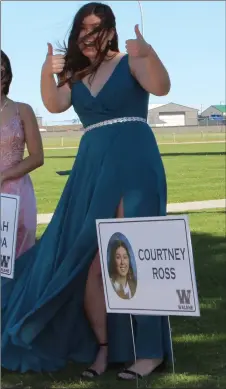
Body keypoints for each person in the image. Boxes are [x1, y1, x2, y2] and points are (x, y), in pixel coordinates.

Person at [1, 2, 172, 380]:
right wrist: (48, 72)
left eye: (95, 30)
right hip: (92, 166)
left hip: (134, 161)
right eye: (82, 31)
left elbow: (161, 86)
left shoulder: (131, 60)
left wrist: (149, 53)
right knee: (91, 262)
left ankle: (148, 352)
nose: (88, 37)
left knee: (132, 252)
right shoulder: (77, 74)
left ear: (110, 30)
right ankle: (105, 348)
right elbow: (55, 104)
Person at [0, 50, 44, 258]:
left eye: (3, 68)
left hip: (18, 192)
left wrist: (4, 176)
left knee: (19, 257)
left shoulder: (23, 110)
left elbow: (37, 157)